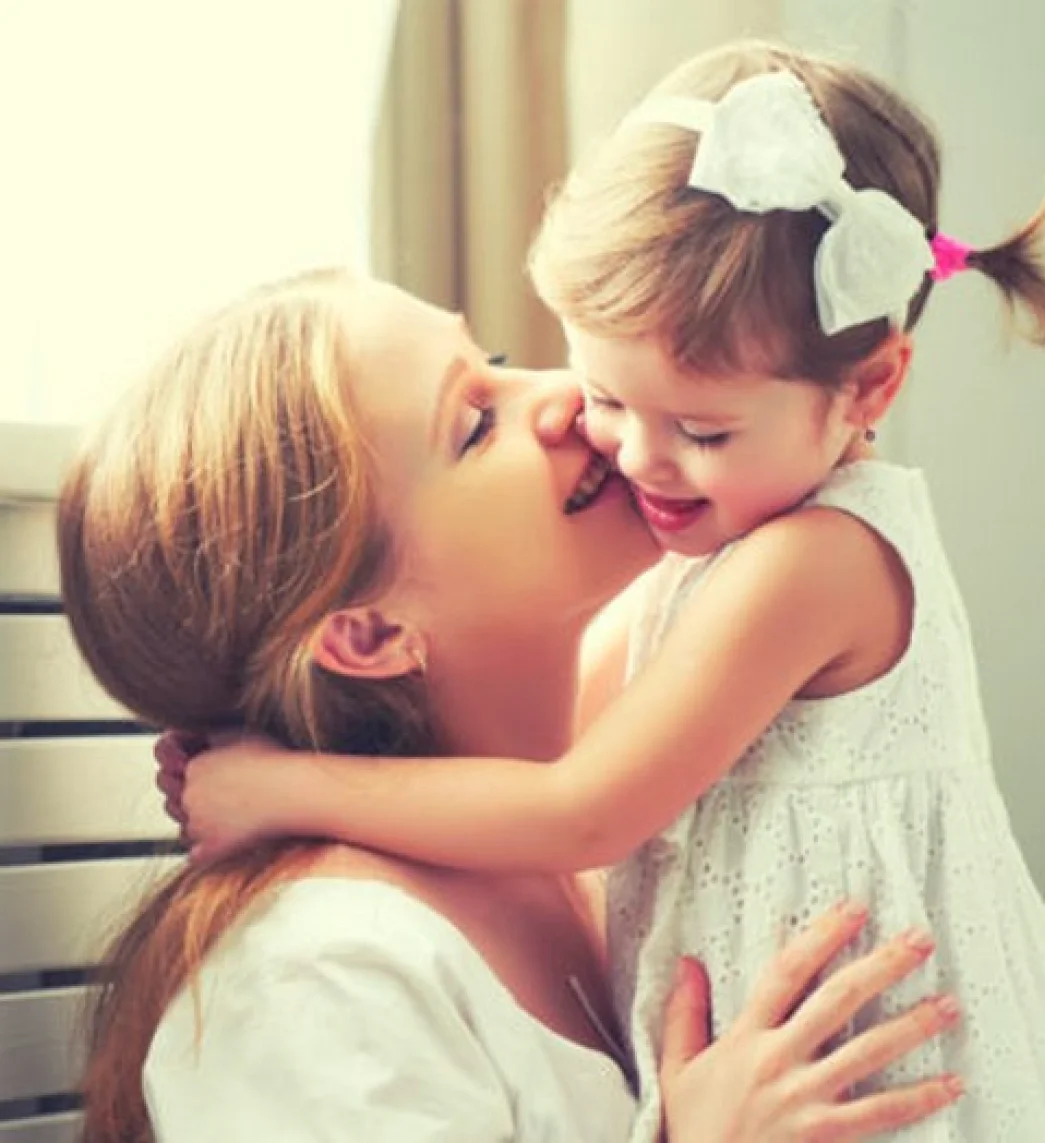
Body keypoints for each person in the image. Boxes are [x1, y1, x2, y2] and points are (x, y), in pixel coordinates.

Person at [172, 42, 1045, 1141]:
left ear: (870, 388)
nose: (633, 455)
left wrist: (283, 787)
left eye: (701, 431)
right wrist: (250, 734)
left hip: (877, 1080)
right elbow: (533, 767)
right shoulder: (703, 572)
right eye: (609, 396)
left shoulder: (821, 558)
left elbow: (582, 809)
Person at [61, 269, 962, 1143]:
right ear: (370, 635)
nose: (569, 399)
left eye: (494, 359)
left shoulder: (606, 835)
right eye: (475, 425)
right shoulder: (318, 972)